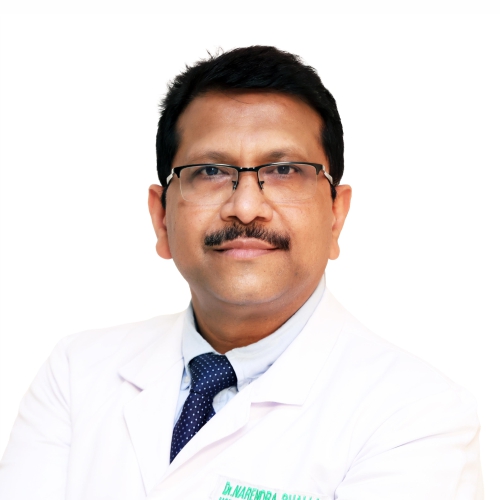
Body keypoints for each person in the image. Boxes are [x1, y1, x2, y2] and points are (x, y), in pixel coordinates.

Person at [0, 46, 482, 500]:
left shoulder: (418, 415)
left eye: (285, 170)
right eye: (210, 171)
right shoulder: (76, 373)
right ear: (161, 217)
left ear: (336, 215)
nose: (246, 207)